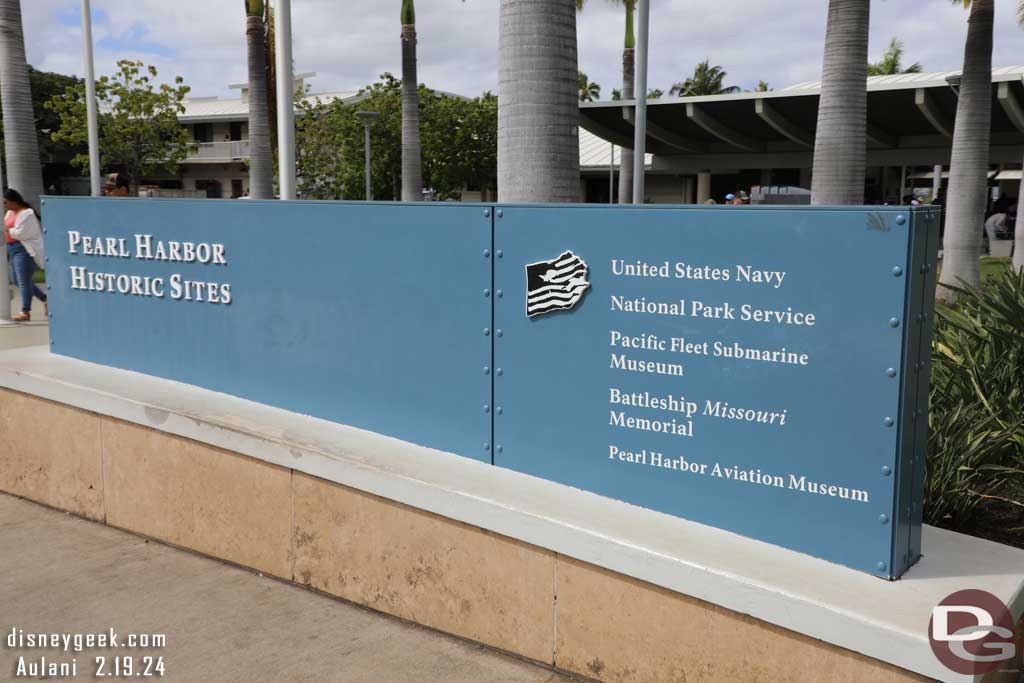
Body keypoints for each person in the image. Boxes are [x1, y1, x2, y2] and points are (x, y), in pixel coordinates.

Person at [3, 189, 47, 322]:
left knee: (23, 281)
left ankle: (25, 312)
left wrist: (6, 229)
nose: (4, 205)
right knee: (18, 280)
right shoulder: (10, 212)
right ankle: (45, 299)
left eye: (5, 202)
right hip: (11, 249)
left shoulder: (27, 214)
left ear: (14, 202)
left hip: (24, 250)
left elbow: (21, 233)